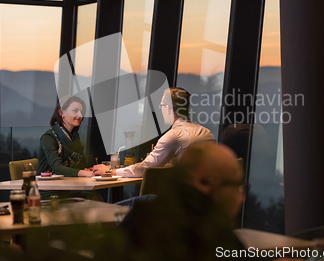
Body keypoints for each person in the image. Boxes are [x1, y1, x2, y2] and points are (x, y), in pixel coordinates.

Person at [95, 142, 246, 261]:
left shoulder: (139, 219)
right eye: (238, 187)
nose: (242, 197)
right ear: (209, 184)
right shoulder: (219, 242)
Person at [92, 87, 216, 178]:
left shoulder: (173, 136)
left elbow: (145, 169)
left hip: (179, 203)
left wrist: (109, 171)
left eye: (161, 105)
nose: (160, 109)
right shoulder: (207, 133)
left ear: (168, 108)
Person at [38, 95, 94, 178]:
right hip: (49, 188)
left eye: (81, 112)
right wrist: (85, 173)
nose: (80, 115)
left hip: (70, 185)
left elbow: (82, 165)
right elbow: (57, 168)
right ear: (61, 113)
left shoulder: (74, 136)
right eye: (75, 111)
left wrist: (94, 169)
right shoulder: (48, 137)